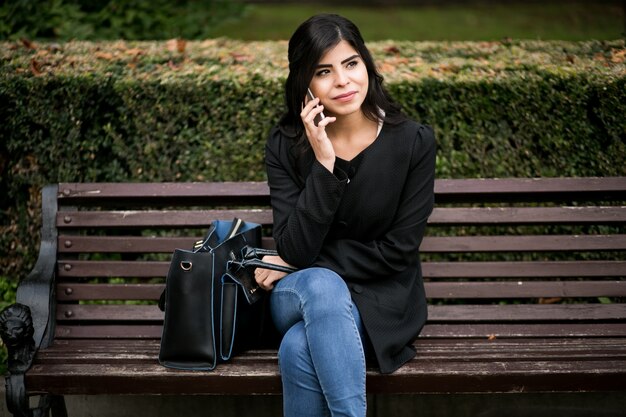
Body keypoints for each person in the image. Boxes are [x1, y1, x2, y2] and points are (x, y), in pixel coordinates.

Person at [254, 13, 436, 417]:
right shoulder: (286, 145)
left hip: (383, 301)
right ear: (305, 83)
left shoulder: (412, 143)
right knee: (320, 286)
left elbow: (397, 251)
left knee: (298, 347)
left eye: (351, 63)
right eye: (324, 71)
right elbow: (295, 246)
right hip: (300, 294)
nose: (343, 80)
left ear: (366, 64)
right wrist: (324, 163)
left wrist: (295, 262)